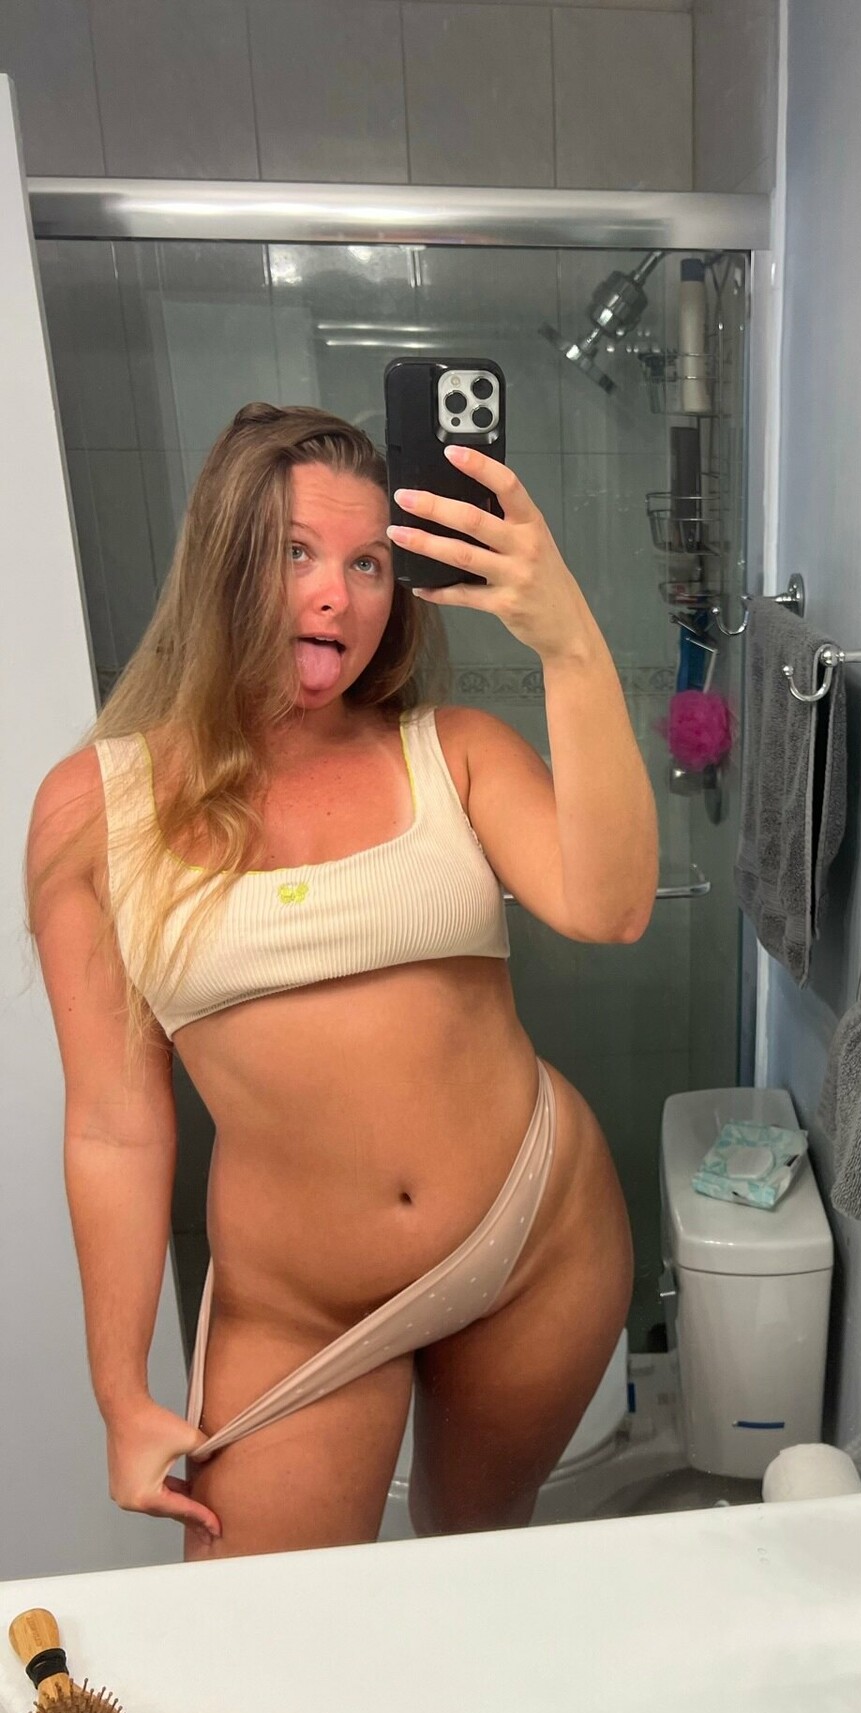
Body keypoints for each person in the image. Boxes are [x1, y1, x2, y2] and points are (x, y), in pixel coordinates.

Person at [27, 402, 656, 1559]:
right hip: (298, 1311)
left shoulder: (452, 750)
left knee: (476, 1549)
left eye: (369, 564)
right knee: (260, 1625)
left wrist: (568, 641)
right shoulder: (94, 811)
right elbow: (115, 1124)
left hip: (534, 1235)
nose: (338, 596)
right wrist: (121, 1394)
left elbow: (610, 908)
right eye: (296, 552)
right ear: (222, 565)